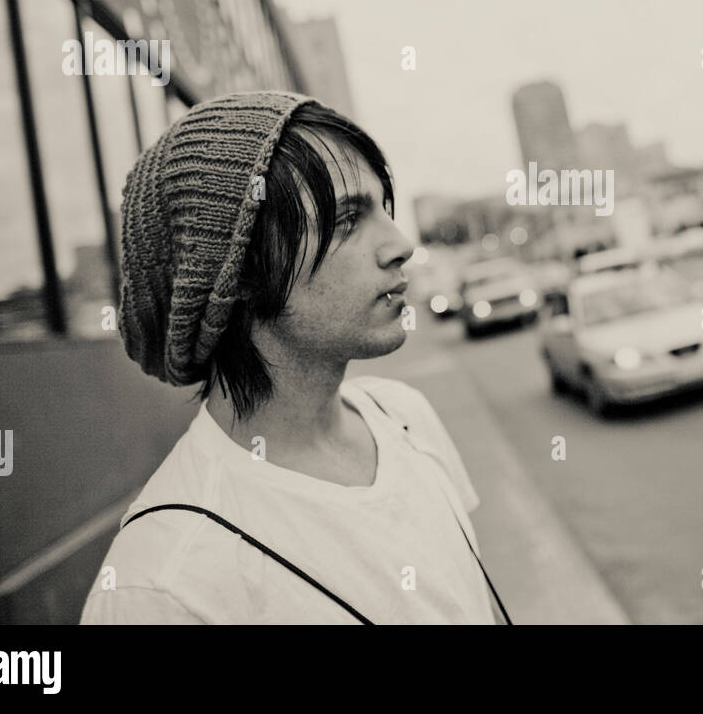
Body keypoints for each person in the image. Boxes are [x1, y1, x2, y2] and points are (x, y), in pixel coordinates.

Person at [80, 91, 509, 624]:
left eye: (385, 209)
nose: (399, 244)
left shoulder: (405, 417)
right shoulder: (161, 584)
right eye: (347, 220)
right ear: (237, 276)